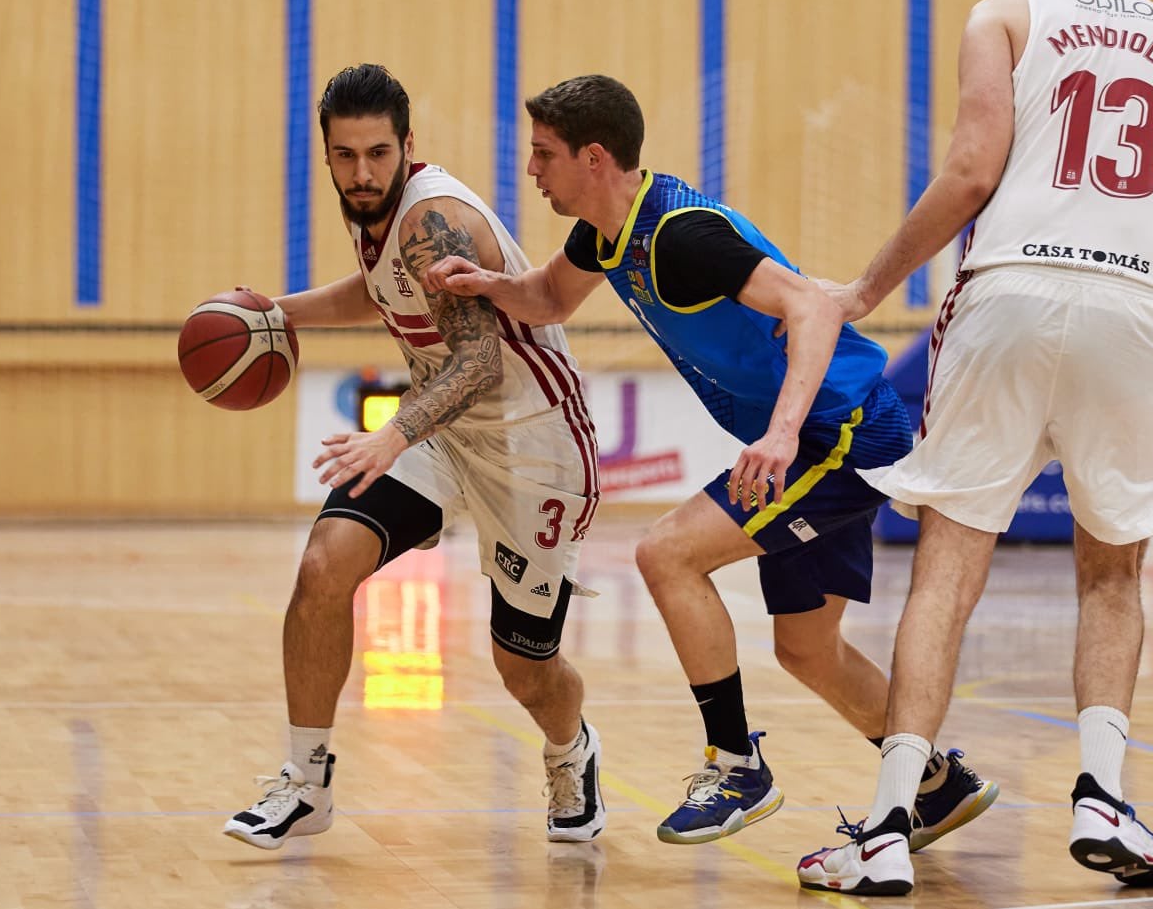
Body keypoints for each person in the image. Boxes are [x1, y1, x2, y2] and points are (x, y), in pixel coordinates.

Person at [795, 0, 1153, 895]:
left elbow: (969, 171)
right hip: (1139, 306)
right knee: (1112, 574)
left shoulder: (1004, 13)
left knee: (950, 567)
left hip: (1009, 288)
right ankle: (1103, 798)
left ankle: (884, 821)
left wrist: (868, 285)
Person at [424, 74, 998, 847]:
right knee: (806, 649)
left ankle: (735, 764)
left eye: (542, 154)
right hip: (828, 432)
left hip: (842, 431)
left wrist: (784, 431)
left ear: (593, 158)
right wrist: (488, 284)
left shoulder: (682, 236)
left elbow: (811, 305)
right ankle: (933, 781)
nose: (531, 170)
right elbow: (551, 298)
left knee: (666, 554)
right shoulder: (603, 233)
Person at [222, 64, 606, 849]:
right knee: (324, 566)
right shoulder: (371, 213)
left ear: (407, 147)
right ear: (325, 154)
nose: (362, 173)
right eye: (345, 155)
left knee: (524, 668)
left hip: (529, 446)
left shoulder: (436, 216)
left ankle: (572, 749)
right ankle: (306, 780)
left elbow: (479, 363)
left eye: (377, 154)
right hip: (438, 429)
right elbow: (380, 289)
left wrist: (391, 434)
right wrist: (273, 313)